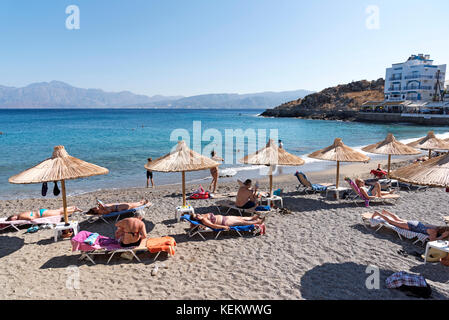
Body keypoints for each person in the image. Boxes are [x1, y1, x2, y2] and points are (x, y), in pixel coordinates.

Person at [372, 210, 449, 241]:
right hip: (412, 226)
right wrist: (442, 237)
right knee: (391, 222)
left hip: (415, 223)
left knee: (398, 219)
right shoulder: (434, 231)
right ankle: (378, 213)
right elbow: (432, 240)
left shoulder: (436, 227)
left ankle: (386, 212)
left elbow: (426, 225)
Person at [189, 212, 265, 231]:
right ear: (197, 219)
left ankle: (252, 217)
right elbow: (213, 226)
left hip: (225, 218)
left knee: (240, 218)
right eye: (197, 216)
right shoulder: (204, 220)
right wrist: (223, 227)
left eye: (197, 214)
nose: (198, 215)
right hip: (224, 222)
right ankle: (258, 222)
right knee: (242, 222)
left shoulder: (203, 215)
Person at [6, 206, 82, 221]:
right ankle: (72, 207)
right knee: (58, 210)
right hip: (41, 212)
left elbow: (31, 218)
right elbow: (30, 215)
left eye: (11, 219)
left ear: (13, 216)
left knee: (58, 212)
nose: (13, 220)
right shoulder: (21, 214)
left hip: (41, 214)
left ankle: (74, 209)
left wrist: (34, 220)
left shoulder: (20, 217)